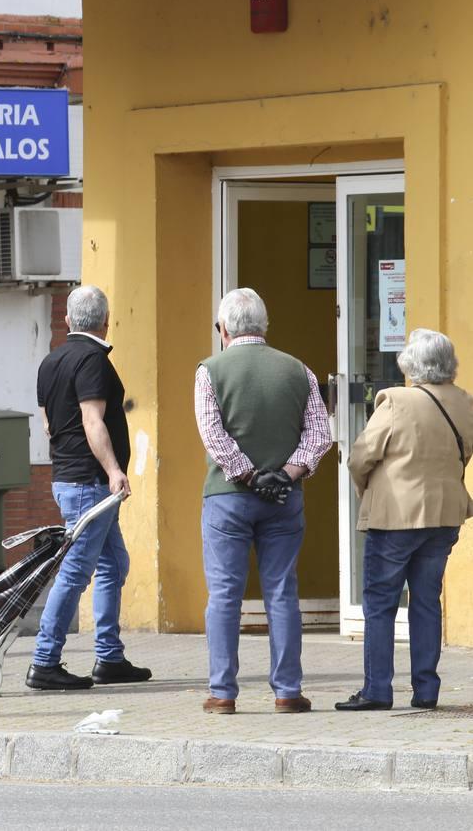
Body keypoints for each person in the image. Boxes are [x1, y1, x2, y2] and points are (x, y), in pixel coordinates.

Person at [195, 288, 332, 715]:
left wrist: (249, 475)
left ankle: (223, 693)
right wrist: (286, 475)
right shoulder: (299, 370)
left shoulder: (209, 370)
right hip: (284, 500)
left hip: (228, 498)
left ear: (223, 330)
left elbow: (213, 435)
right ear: (264, 328)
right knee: (281, 592)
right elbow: (320, 434)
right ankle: (288, 691)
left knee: (224, 595)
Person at [335, 329, 473, 712]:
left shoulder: (396, 401)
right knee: (427, 601)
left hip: (395, 516)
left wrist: (369, 490)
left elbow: (361, 456)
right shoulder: (464, 402)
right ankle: (426, 690)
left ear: (411, 363)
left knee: (380, 603)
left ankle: (378, 689)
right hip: (444, 515)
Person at [31, 285, 150, 691]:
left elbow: (49, 423)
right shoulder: (93, 361)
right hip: (89, 482)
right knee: (76, 571)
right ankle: (44, 661)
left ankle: (109, 657)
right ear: (106, 320)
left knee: (113, 563)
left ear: (66, 320)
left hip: (70, 478)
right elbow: (92, 420)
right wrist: (114, 470)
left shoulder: (51, 361)